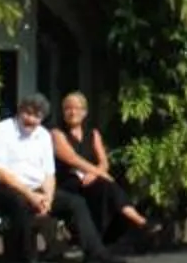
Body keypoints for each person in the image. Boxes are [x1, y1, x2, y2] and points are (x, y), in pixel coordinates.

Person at [0, 93, 122, 263]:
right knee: (21, 203)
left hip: (38, 189)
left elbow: (49, 173)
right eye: (28, 114)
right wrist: (31, 195)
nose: (31, 120)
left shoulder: (43, 135)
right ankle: (28, 259)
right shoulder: (1, 131)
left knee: (76, 203)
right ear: (19, 111)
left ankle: (97, 255)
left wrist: (47, 196)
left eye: (37, 116)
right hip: (4, 188)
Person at [51, 91, 150, 252]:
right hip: (68, 181)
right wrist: (99, 173)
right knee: (104, 184)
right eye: (67, 108)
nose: (72, 112)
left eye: (77, 108)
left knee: (104, 187)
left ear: (84, 112)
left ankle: (113, 232)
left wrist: (97, 173)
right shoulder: (56, 133)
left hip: (91, 179)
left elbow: (104, 162)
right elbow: (71, 158)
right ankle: (137, 219)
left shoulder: (93, 133)